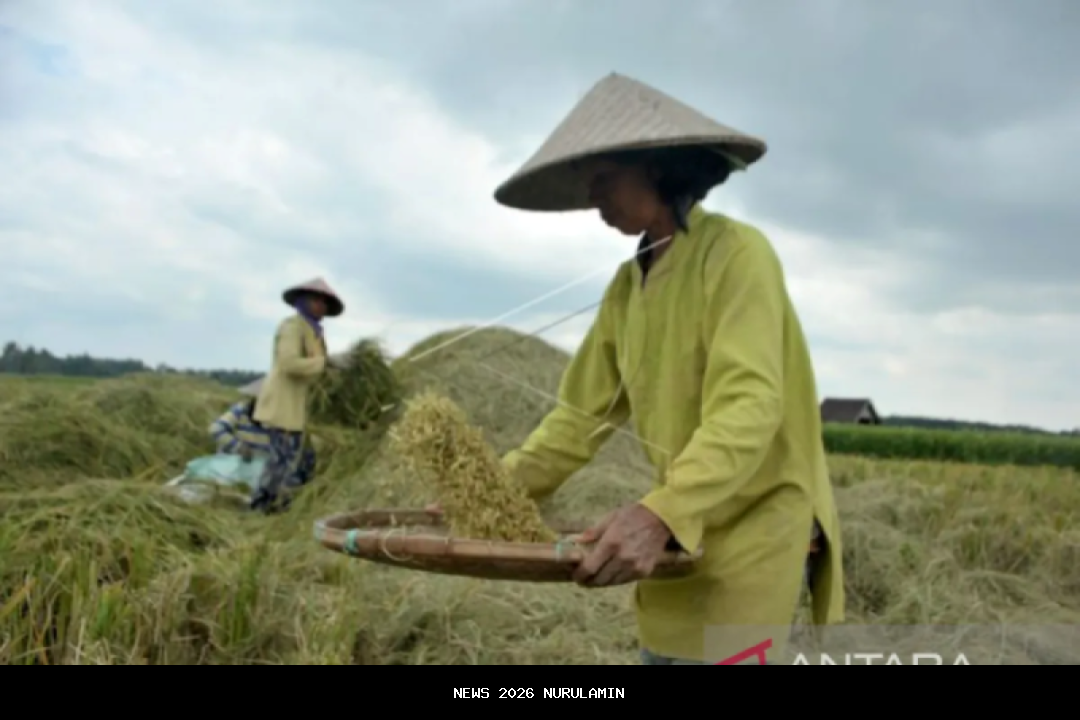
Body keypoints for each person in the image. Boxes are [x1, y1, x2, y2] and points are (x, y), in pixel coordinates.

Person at [487, 73, 845, 664]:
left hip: (752, 531)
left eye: (604, 180)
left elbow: (750, 405)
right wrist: (496, 488)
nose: (595, 199)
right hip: (679, 534)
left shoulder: (736, 254)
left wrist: (659, 512)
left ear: (654, 166)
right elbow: (576, 420)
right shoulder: (627, 287)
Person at [249, 277, 345, 513]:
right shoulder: (292, 327)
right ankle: (263, 507)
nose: (321, 306)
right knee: (281, 462)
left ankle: (287, 505)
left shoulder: (314, 331)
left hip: (299, 408)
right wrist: (326, 363)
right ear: (303, 301)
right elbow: (289, 362)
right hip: (284, 406)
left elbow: (317, 366)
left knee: (303, 460)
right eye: (316, 301)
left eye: (324, 302)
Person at [208, 388, 316, 483]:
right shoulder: (241, 410)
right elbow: (216, 429)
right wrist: (239, 446)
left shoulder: (284, 419)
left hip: (262, 469)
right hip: (234, 464)